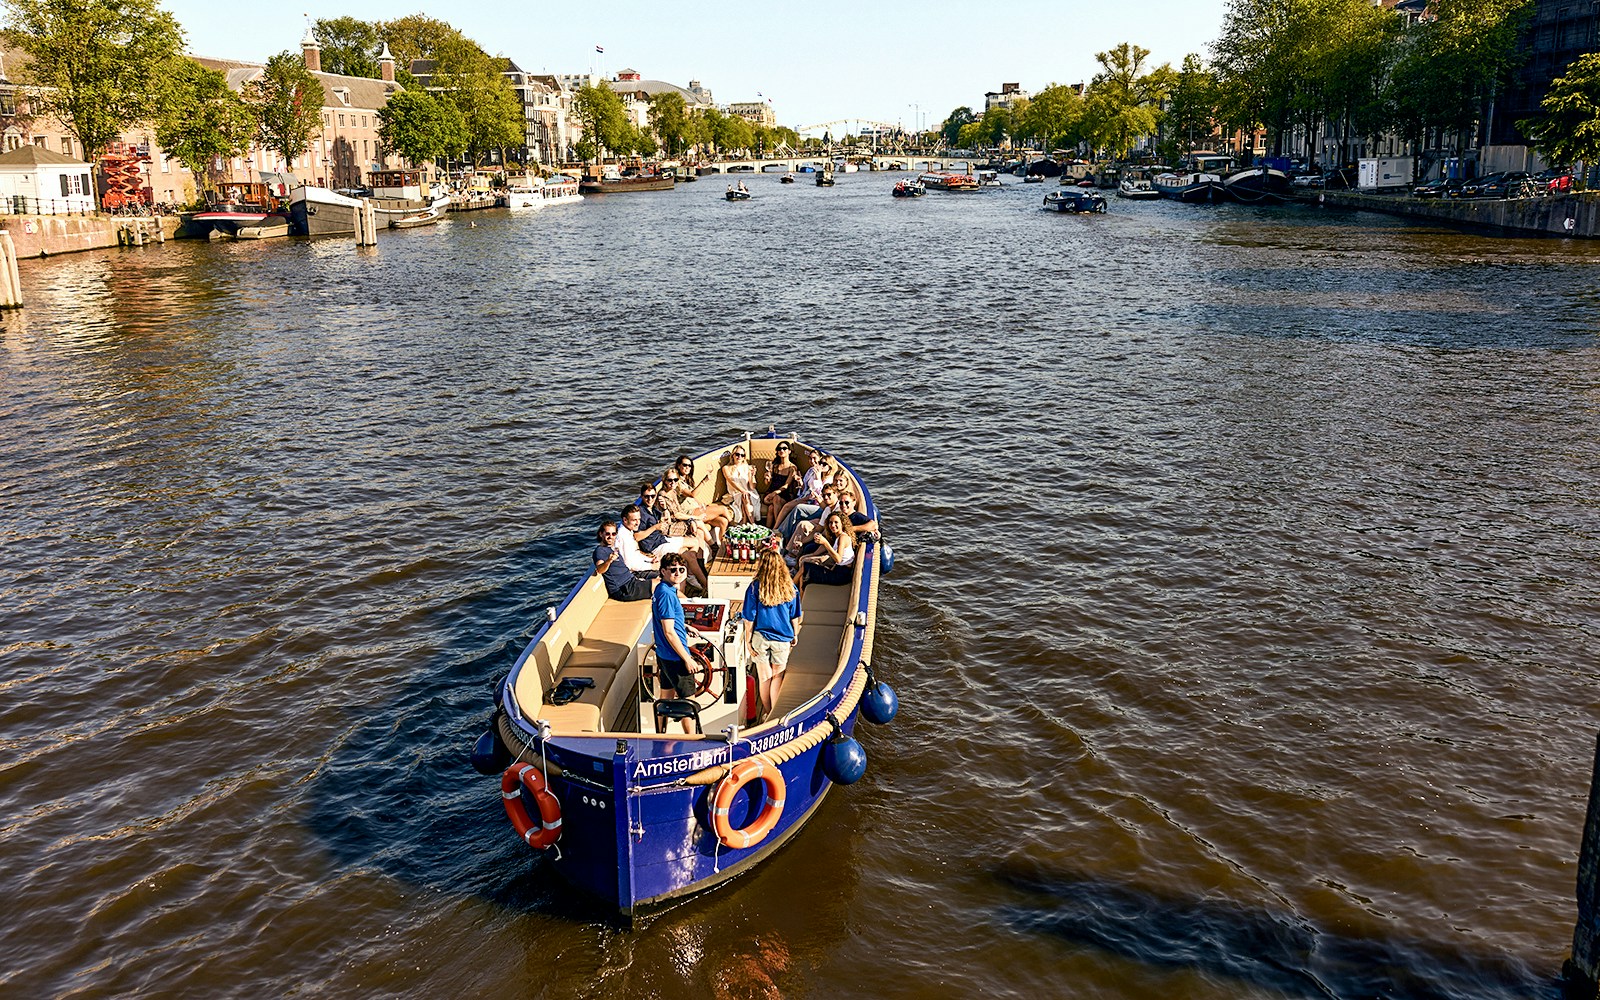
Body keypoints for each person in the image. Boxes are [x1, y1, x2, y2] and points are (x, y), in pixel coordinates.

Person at [742, 547, 803, 723]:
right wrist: (795, 634)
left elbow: (749, 617)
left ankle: (767, 712)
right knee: (777, 676)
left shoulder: (755, 587)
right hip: (783, 637)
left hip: (760, 637)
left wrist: (747, 640)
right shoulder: (789, 587)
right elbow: (795, 615)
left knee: (764, 677)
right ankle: (775, 715)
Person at [651, 553, 698, 733]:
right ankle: (692, 741)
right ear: (663, 571)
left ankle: (660, 734)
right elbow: (669, 632)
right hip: (675, 657)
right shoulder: (667, 595)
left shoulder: (662, 589)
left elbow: (666, 619)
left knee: (666, 696)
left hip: (663, 654)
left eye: (681, 569)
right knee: (688, 703)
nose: (678, 573)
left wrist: (685, 626)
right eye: (673, 570)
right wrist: (687, 659)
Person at [619, 504, 706, 590]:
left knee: (684, 562)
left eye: (638, 519)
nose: (637, 523)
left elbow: (635, 555)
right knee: (674, 577)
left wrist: (650, 560)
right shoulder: (623, 537)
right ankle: (701, 585)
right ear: (625, 520)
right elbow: (630, 565)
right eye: (634, 520)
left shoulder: (628, 532)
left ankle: (699, 581)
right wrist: (651, 566)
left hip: (648, 558)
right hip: (634, 575)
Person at [794, 510, 855, 595]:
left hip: (841, 576)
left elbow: (838, 559)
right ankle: (799, 596)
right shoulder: (838, 536)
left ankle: (791, 589)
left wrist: (825, 543)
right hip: (838, 571)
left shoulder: (843, 538)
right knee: (805, 570)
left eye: (836, 522)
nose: (833, 525)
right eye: (830, 523)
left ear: (842, 524)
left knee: (805, 567)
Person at [594, 520, 653, 601]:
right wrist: (609, 561)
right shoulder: (600, 551)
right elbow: (600, 569)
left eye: (613, 534)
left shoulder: (613, 548)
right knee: (663, 586)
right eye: (607, 534)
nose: (611, 536)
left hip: (631, 580)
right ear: (601, 534)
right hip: (624, 589)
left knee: (664, 578)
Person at [761, 442, 801, 527]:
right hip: (770, 493)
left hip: (784, 494)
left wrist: (774, 493)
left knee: (772, 507)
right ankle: (777, 529)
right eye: (779, 449)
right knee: (774, 500)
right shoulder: (774, 465)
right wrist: (767, 479)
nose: (781, 450)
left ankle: (774, 528)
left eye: (784, 448)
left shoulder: (792, 468)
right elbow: (767, 483)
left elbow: (786, 485)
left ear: (789, 451)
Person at [721, 445, 759, 524]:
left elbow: (752, 487)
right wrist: (742, 491)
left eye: (742, 455)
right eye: (737, 454)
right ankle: (753, 524)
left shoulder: (748, 467)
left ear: (744, 457)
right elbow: (731, 481)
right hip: (735, 493)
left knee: (745, 497)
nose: (739, 457)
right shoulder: (726, 468)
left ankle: (747, 525)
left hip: (749, 493)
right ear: (733, 455)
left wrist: (753, 475)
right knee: (744, 496)